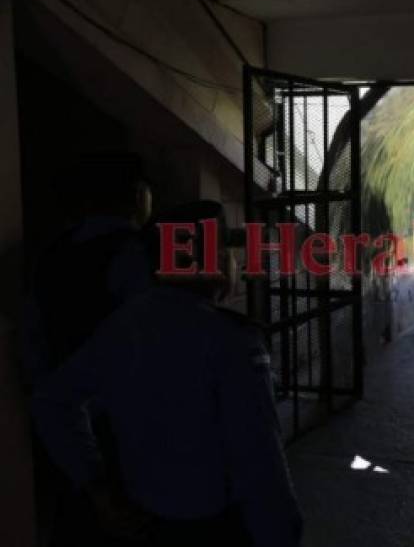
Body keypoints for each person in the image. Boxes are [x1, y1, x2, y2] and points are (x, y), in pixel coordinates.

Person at [32, 201, 304, 547]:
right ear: (214, 261)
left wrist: (95, 485)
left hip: (144, 519)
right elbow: (261, 469)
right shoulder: (231, 341)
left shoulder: (124, 325)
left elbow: (52, 400)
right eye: (225, 249)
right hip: (214, 530)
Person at [23, 153, 154, 547]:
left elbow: (33, 346)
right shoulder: (137, 253)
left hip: (61, 422)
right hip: (124, 431)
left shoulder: (52, 253)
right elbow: (151, 353)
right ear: (135, 196)